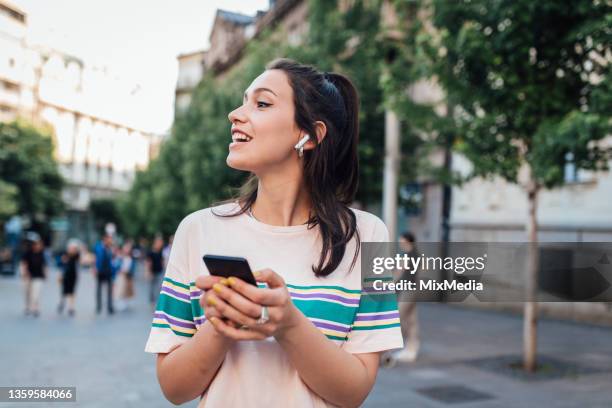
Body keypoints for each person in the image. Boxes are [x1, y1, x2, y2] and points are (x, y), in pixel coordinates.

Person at [145, 58, 403, 407]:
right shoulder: (197, 230)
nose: (235, 114)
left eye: (262, 103)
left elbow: (353, 392)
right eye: (244, 100)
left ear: (309, 135)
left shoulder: (367, 235)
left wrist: (287, 324)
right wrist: (222, 324)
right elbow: (174, 389)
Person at [384, 232, 421, 366]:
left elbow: (398, 274)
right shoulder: (416, 254)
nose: (401, 244)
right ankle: (411, 348)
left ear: (407, 242)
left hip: (408, 290)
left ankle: (400, 349)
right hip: (414, 289)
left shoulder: (406, 256)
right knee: (411, 319)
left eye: (402, 242)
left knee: (399, 317)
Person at [20, 237, 47, 317]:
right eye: (37, 244)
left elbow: (44, 264)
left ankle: (35, 308)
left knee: (36, 293)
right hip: (28, 276)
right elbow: (24, 263)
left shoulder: (42, 253)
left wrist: (45, 273)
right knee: (27, 292)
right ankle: (27, 306)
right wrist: (24, 273)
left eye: (40, 244)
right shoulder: (28, 253)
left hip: (38, 276)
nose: (39, 246)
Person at [57, 239, 81, 317]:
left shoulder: (77, 255)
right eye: (71, 247)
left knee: (72, 292)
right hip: (65, 275)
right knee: (64, 291)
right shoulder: (65, 255)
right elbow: (61, 265)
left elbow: (80, 263)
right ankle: (62, 303)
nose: (72, 249)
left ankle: (71, 307)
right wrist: (60, 275)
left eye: (74, 248)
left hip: (73, 275)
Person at [94, 234, 114, 315]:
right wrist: (95, 268)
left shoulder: (110, 248)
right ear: (105, 239)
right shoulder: (98, 247)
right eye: (109, 240)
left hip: (108, 271)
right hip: (100, 271)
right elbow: (96, 258)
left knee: (109, 289)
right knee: (99, 289)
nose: (110, 241)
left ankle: (110, 307)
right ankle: (99, 306)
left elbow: (112, 259)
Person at [146, 236, 165, 310]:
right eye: (159, 243)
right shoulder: (151, 252)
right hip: (153, 272)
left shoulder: (160, 252)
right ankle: (152, 302)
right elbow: (148, 262)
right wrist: (148, 272)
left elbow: (162, 261)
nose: (160, 244)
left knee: (158, 287)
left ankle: (157, 302)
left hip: (159, 272)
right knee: (152, 287)